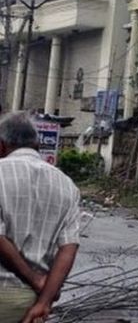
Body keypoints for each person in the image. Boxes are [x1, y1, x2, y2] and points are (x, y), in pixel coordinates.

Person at [0, 112, 80, 323]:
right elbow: (68, 248)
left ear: (1, 145)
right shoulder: (67, 185)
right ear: (37, 145)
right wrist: (44, 302)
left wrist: (34, 278)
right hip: (31, 304)